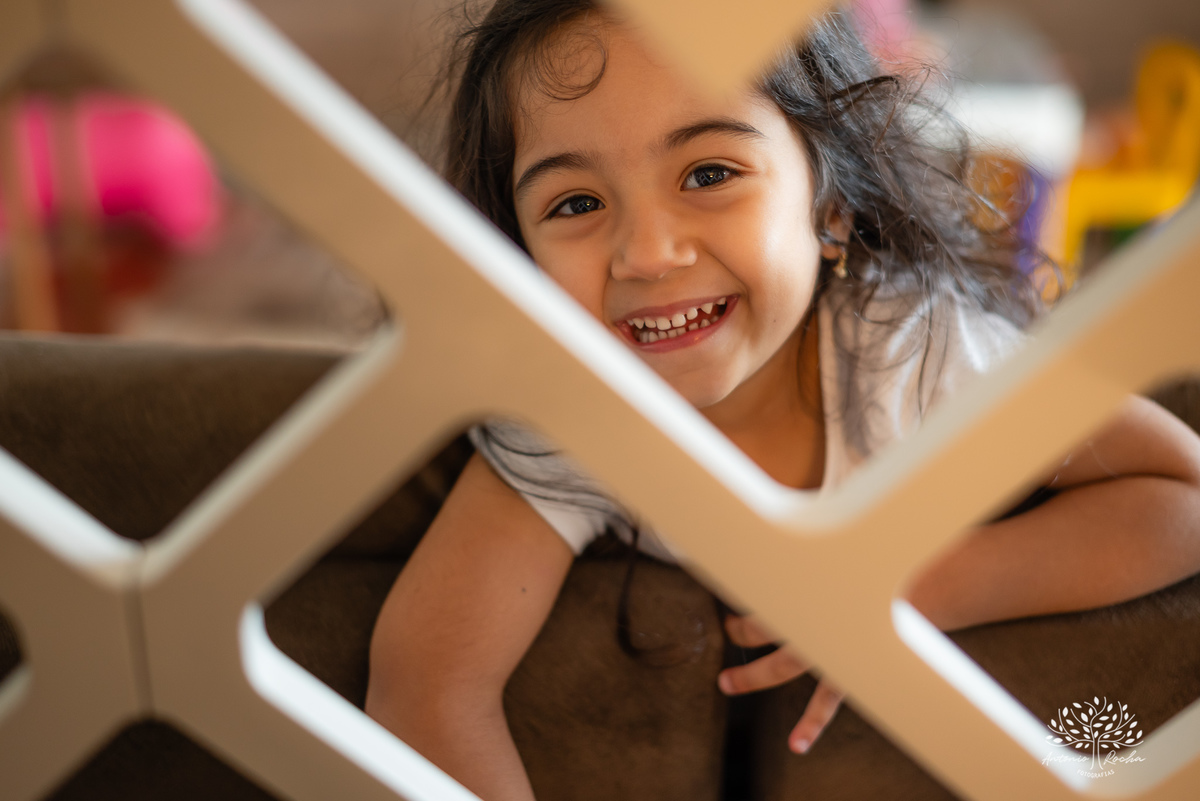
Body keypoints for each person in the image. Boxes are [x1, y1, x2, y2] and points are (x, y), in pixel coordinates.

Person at [365, 3, 1200, 799]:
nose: (647, 254)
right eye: (576, 203)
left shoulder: (914, 355)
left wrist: (921, 584)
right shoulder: (567, 414)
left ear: (830, 207)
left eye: (710, 173)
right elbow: (425, 683)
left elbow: (1185, 495)